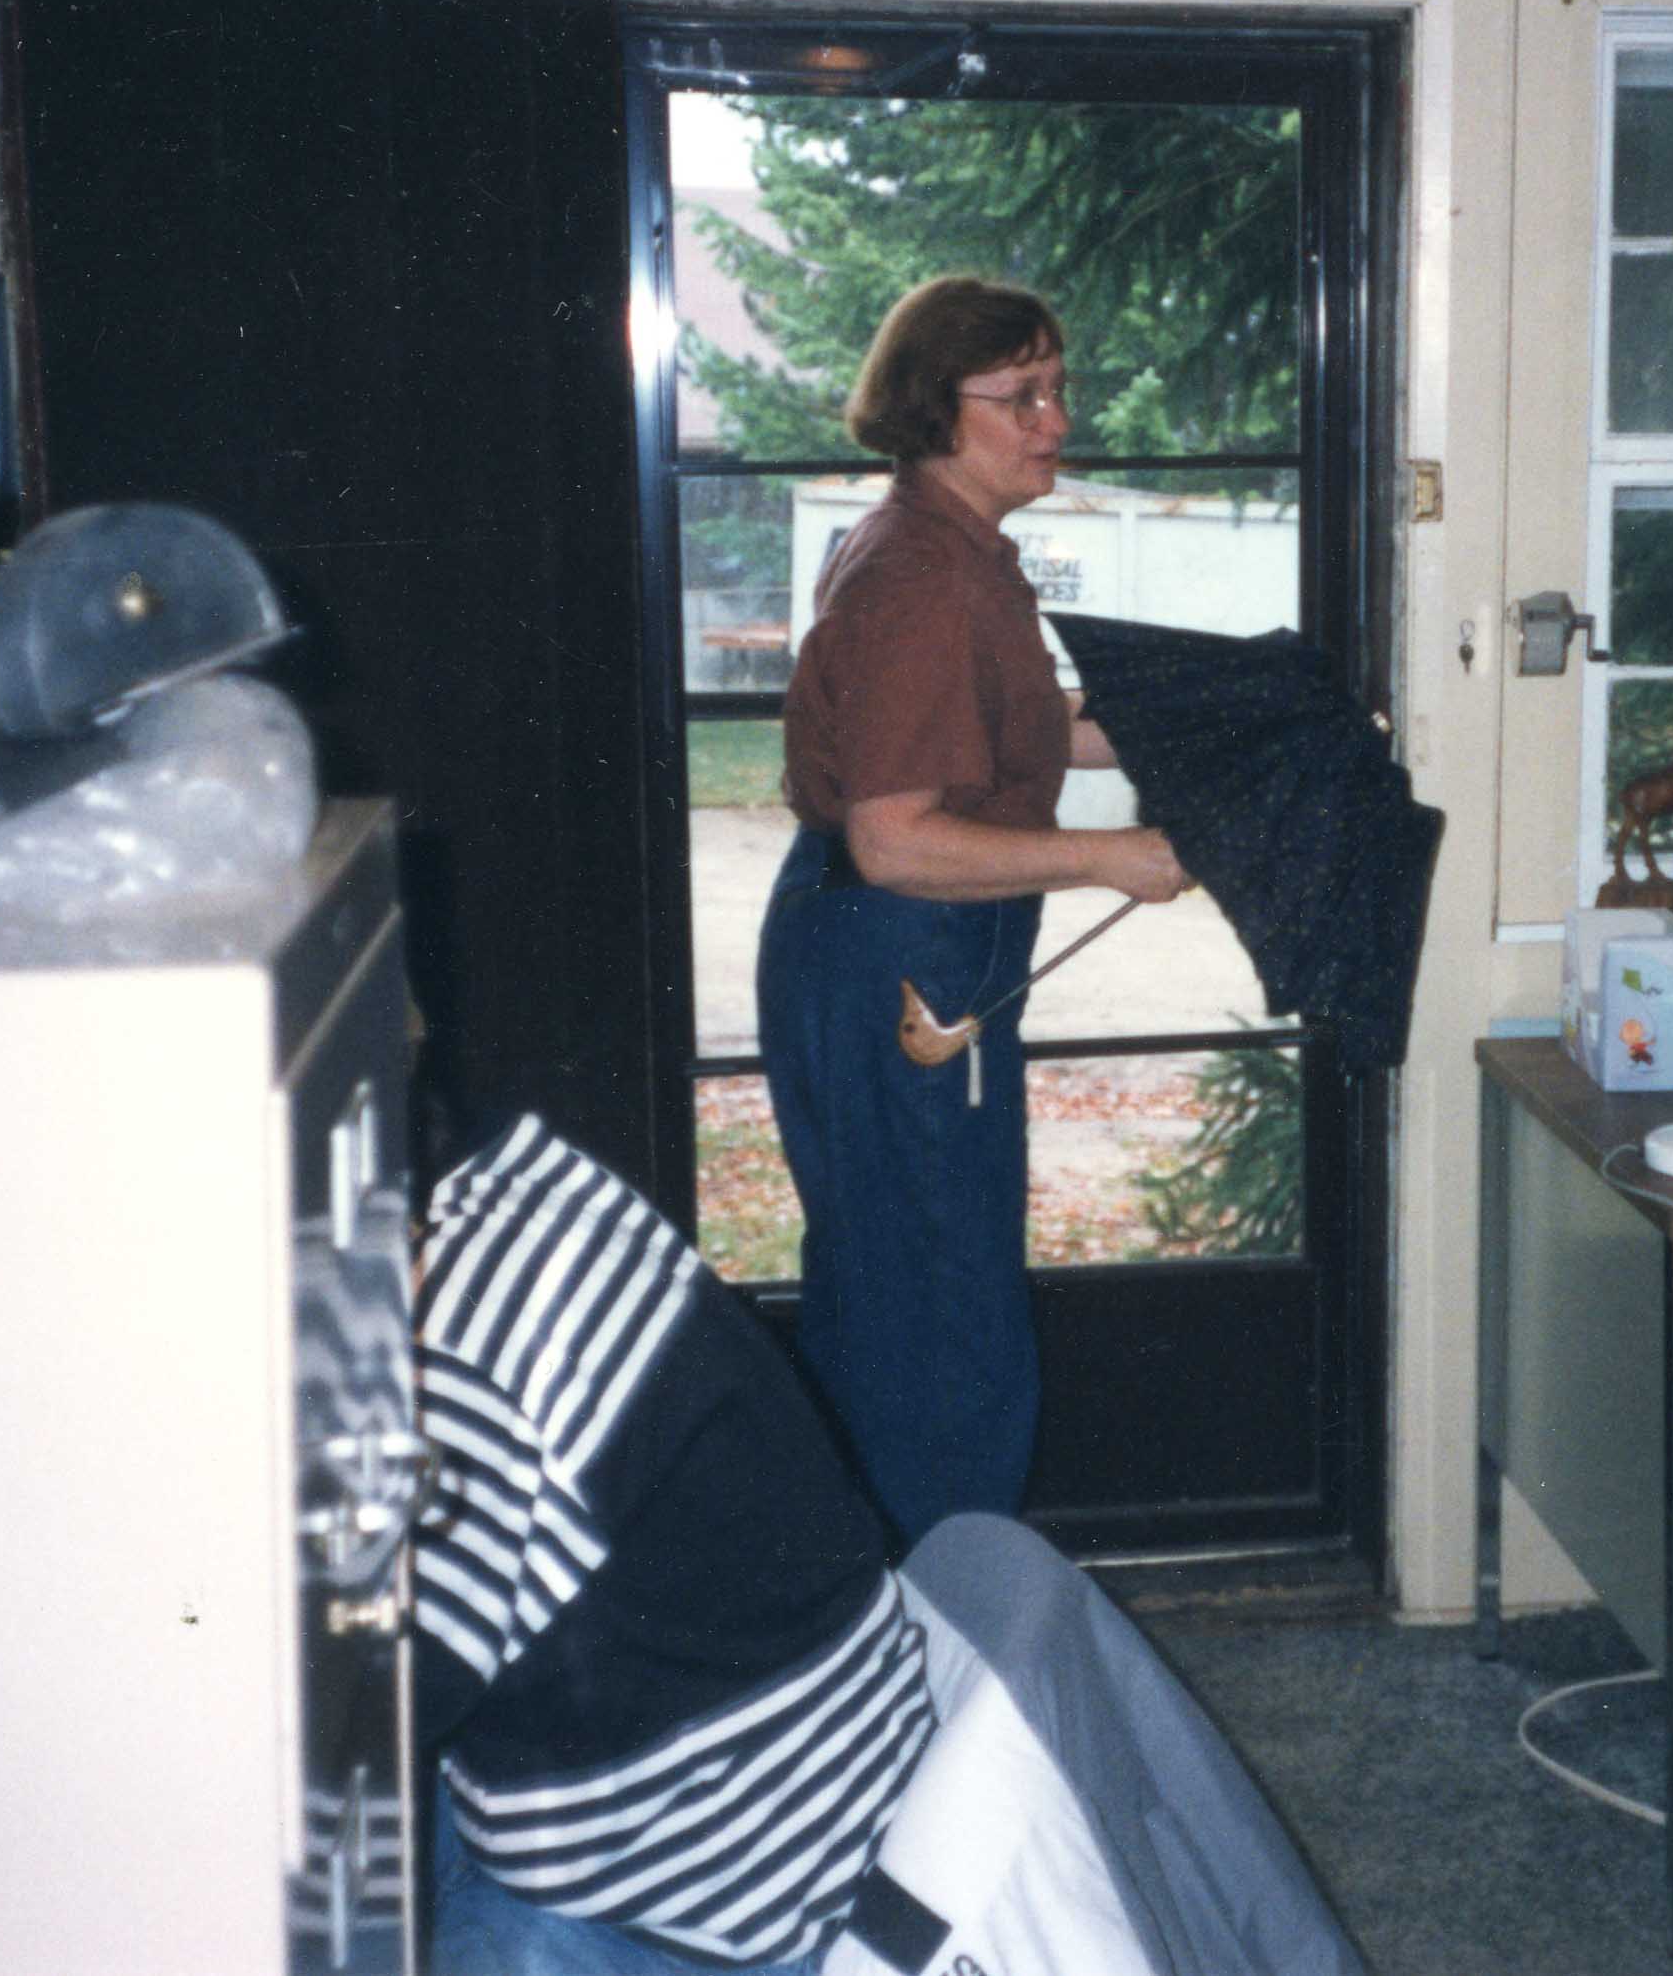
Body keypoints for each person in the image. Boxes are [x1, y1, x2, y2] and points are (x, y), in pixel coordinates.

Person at [761, 276, 1189, 1546]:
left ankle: (892, 1614)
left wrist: (1202, 740)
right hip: (901, 953)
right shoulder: (925, 582)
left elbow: (1017, 721)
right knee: (937, 1310)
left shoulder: (943, 547)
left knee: (892, 1289)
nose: (1057, 418)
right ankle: (943, 1644)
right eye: (1023, 395)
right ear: (934, 410)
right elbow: (895, 837)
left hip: (891, 952)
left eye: (1057, 386)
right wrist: (1110, 854)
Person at [413, 1113, 933, 1974]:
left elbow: (346, 1711)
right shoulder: (514, 1188)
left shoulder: (453, 1374)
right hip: (824, 1798)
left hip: (719, 1911)